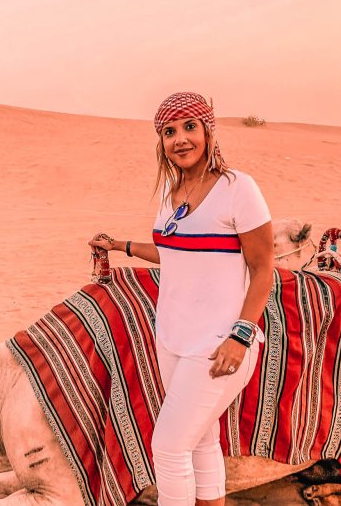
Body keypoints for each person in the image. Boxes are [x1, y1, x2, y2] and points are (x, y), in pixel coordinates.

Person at [88, 92, 273, 506]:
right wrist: (122, 245)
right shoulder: (172, 193)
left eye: (189, 127)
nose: (180, 140)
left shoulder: (237, 188)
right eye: (169, 132)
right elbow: (176, 251)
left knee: (169, 447)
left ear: (208, 131)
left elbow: (263, 267)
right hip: (172, 337)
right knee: (202, 440)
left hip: (217, 343)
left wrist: (240, 336)